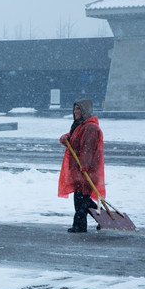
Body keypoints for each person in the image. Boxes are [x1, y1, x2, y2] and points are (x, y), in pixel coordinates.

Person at [58, 99, 105, 233]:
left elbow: (87, 149)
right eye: (74, 109)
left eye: (78, 109)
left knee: (81, 199)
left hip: (87, 170)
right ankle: (86, 223)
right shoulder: (80, 125)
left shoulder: (90, 128)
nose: (75, 111)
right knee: (81, 198)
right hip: (80, 169)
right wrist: (65, 138)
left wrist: (84, 166)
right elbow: (73, 138)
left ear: (85, 111)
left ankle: (81, 224)